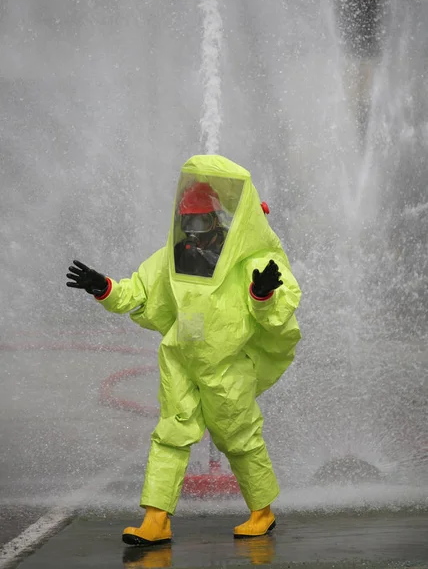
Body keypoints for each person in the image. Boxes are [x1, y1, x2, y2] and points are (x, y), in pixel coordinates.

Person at [66, 154, 301, 546]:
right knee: (170, 436)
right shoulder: (172, 259)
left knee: (240, 439)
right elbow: (138, 291)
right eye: (186, 221)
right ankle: (156, 520)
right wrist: (103, 287)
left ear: (216, 220)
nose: (192, 231)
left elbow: (278, 313)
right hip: (180, 360)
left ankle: (262, 512)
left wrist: (262, 294)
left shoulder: (248, 261)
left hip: (227, 366)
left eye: (200, 221)